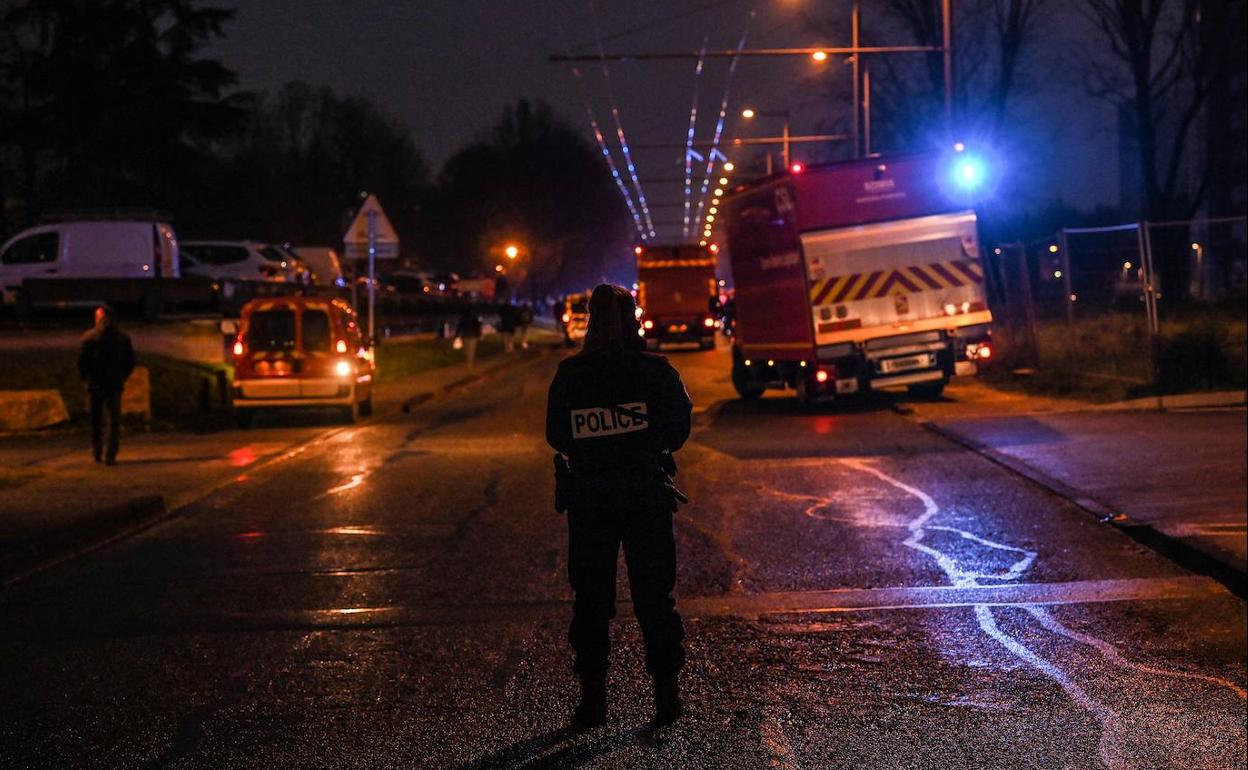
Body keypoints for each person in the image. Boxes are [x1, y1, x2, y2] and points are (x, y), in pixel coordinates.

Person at [546, 284, 693, 732]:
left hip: (591, 499)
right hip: (645, 494)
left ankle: (592, 704)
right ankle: (666, 698)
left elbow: (557, 434)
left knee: (592, 601)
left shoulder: (571, 374)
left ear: (591, 320)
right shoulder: (657, 371)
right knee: (655, 598)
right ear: (633, 320)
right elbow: (678, 428)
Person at [78, 306, 135, 465]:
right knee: (114, 420)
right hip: (114, 384)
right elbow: (130, 361)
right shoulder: (122, 338)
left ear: (97, 319)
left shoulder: (89, 337)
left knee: (95, 419)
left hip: (94, 384)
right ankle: (111, 454)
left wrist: (85, 379)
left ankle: (97, 451)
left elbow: (82, 362)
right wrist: (122, 377)